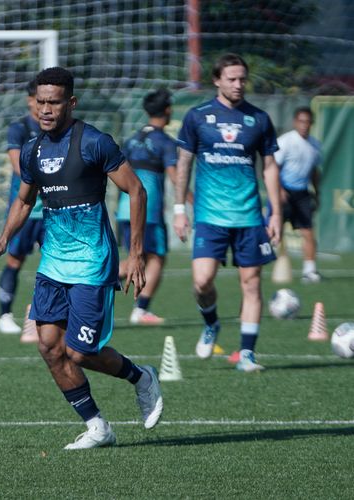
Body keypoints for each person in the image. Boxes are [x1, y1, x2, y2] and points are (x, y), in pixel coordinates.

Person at [0, 67, 163, 449]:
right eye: (41, 102)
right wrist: (2, 240)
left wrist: (135, 254)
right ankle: (98, 426)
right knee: (48, 346)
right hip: (52, 264)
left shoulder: (94, 142)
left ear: (71, 103)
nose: (46, 109)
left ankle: (141, 378)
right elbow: (24, 200)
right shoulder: (32, 150)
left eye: (54, 102)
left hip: (92, 263)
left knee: (78, 352)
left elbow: (137, 190)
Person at [172, 53, 282, 372]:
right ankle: (212, 324)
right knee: (202, 281)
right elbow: (184, 163)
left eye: (242, 79)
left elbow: (270, 168)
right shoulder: (198, 116)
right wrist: (180, 209)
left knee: (251, 284)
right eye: (231, 79)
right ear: (217, 80)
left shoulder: (259, 119)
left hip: (249, 217)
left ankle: (247, 354)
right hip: (210, 216)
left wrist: (274, 213)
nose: (238, 84)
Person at [116, 88, 192, 325]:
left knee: (136, 257)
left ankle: (94, 280)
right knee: (156, 258)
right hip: (148, 211)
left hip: (124, 209)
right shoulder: (166, 142)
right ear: (167, 110)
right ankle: (140, 310)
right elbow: (175, 177)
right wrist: (192, 202)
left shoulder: (132, 140)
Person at [0, 80, 45, 338]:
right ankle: (4, 315)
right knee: (14, 261)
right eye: (39, 99)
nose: (44, 105)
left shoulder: (59, 129)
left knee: (57, 265)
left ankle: (54, 317)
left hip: (52, 211)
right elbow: (18, 168)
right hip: (24, 209)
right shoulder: (20, 129)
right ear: (29, 100)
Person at [273, 107, 322, 283]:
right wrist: (278, 190)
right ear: (295, 122)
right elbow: (273, 167)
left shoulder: (315, 145)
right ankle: (253, 265)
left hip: (302, 193)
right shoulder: (286, 141)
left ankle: (309, 271)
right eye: (301, 121)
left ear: (312, 124)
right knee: (272, 230)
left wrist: (317, 192)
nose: (304, 125)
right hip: (283, 190)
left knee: (308, 232)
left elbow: (314, 172)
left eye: (308, 122)